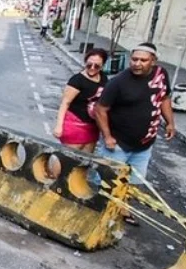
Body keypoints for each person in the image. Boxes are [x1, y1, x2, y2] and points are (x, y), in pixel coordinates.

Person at [95, 42, 176, 225]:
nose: (137, 64)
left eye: (143, 60)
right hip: (118, 144)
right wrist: (107, 137)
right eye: (134, 59)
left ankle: (122, 209)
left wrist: (170, 122)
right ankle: (103, 213)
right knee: (110, 180)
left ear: (153, 61)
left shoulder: (161, 75)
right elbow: (101, 109)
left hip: (144, 144)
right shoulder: (118, 82)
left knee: (132, 182)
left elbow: (164, 98)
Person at [54, 48, 109, 153]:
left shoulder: (103, 78)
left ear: (103, 65)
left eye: (97, 66)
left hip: (92, 127)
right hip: (75, 125)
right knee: (67, 160)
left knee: (84, 161)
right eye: (89, 65)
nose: (92, 68)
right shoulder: (77, 80)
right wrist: (59, 126)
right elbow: (65, 103)